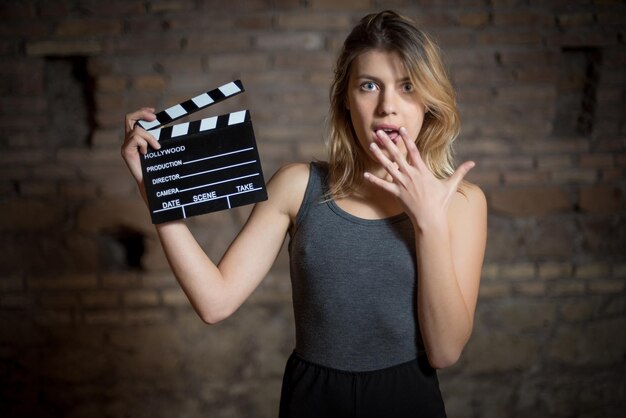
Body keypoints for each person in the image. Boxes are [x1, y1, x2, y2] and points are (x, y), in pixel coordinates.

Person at [122, 10, 487, 418]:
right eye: (369, 86)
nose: (388, 106)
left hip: (407, 400)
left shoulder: (461, 202)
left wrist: (429, 222)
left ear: (429, 102)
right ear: (346, 100)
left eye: (407, 86)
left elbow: (445, 351)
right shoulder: (297, 186)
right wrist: (156, 191)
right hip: (312, 400)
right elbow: (214, 302)